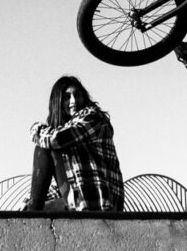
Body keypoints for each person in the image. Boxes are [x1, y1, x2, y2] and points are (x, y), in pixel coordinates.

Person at [26, 76, 124, 212]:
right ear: (57, 102)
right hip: (82, 200)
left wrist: (35, 129)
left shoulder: (93, 117)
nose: (73, 101)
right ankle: (31, 210)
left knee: (43, 149)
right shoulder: (68, 133)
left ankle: (32, 214)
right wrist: (29, 200)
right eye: (67, 97)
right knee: (41, 207)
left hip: (100, 203)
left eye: (77, 95)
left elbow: (56, 138)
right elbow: (64, 180)